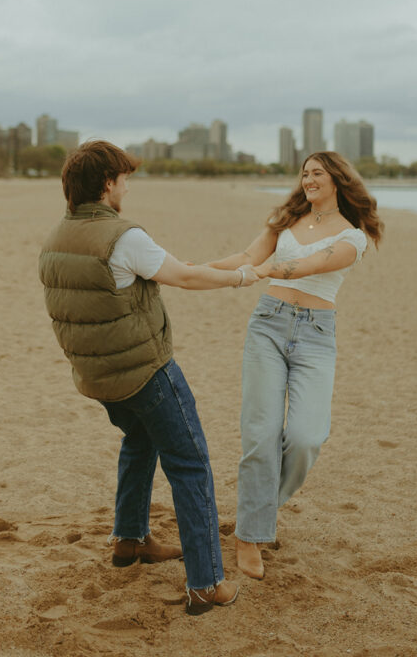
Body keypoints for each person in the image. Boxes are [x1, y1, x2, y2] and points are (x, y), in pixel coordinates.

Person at [38, 140, 258, 615]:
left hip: (97, 376)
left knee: (140, 442)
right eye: (124, 178)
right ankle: (206, 583)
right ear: (107, 184)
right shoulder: (122, 235)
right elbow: (186, 277)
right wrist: (242, 277)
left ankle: (130, 539)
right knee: (191, 463)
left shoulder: (56, 237)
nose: (128, 186)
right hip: (144, 371)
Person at [206, 151, 383, 580]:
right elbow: (244, 256)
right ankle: (250, 535)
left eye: (317, 173)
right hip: (267, 324)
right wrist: (193, 269)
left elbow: (311, 265)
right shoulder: (285, 219)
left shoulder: (353, 236)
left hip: (316, 336)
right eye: (304, 173)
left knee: (306, 437)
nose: (308, 179)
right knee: (260, 435)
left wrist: (261, 271)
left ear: (338, 179)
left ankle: (256, 510)